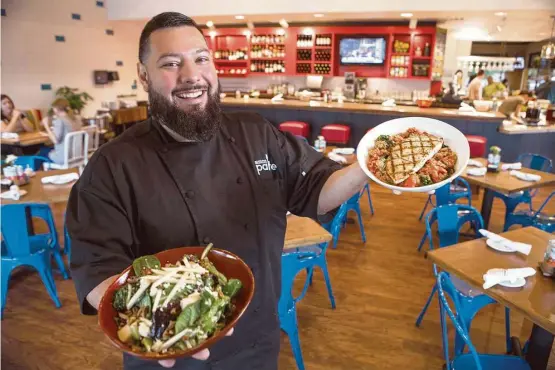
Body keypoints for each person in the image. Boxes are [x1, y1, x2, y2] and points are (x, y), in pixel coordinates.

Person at [66, 12, 369, 370]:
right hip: (169, 352)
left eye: (201, 58)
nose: (191, 75)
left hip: (257, 340)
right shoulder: (113, 164)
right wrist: (150, 331)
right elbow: (98, 265)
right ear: (144, 75)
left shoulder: (257, 132)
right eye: (170, 63)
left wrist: (366, 166)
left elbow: (317, 188)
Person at [39, 98, 82, 164]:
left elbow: (55, 140)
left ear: (55, 108)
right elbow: (67, 134)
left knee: (41, 152)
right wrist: (49, 134)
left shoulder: (59, 120)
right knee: (47, 150)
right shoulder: (76, 119)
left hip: (64, 157)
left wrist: (46, 125)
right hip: (77, 155)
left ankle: (52, 173)